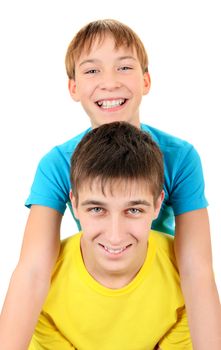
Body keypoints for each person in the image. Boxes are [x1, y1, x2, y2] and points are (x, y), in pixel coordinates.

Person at [0, 19, 220, 350]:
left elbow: (196, 268)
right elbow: (32, 270)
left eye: (124, 67)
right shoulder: (58, 163)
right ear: (73, 88)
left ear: (146, 81)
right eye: (91, 71)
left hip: (159, 296)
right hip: (98, 288)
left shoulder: (181, 157)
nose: (109, 82)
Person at [29, 121, 193, 350]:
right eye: (97, 209)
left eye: (134, 210)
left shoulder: (185, 274)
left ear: (158, 205)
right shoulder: (41, 285)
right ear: (74, 205)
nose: (115, 236)